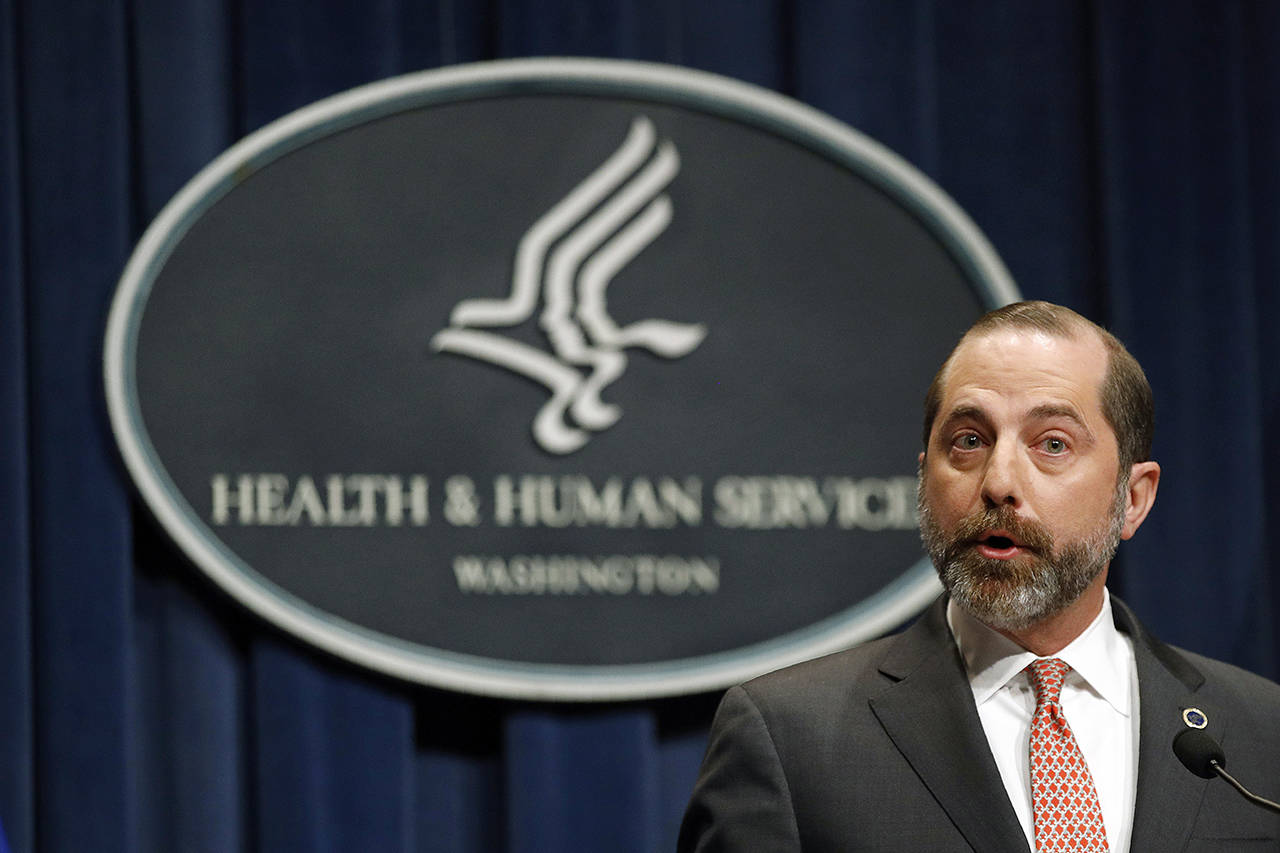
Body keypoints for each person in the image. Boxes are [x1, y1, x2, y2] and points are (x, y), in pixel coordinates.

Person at [679, 301, 1280, 851]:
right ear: (925, 479)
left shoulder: (1261, 734)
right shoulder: (789, 740)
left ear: (1133, 499)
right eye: (968, 441)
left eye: (1052, 444)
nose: (998, 482)